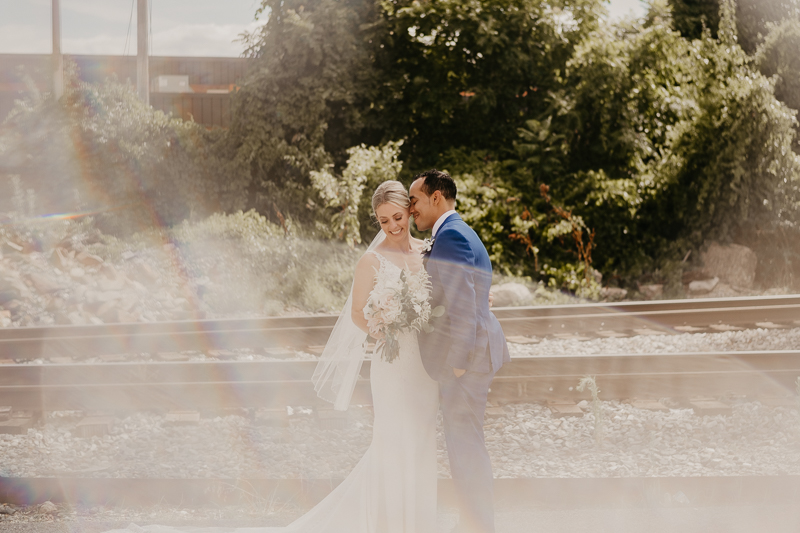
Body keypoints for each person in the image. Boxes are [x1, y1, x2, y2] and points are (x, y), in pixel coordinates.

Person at [104, 180, 440, 533]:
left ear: (410, 211)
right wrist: (382, 325)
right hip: (392, 366)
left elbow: (443, 297)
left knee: (421, 439)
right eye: (383, 220)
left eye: (397, 217)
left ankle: (418, 521)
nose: (392, 226)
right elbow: (358, 313)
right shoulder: (370, 261)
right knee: (392, 442)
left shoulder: (427, 252)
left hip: (423, 368)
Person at [409, 170, 510, 533]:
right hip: (475, 356)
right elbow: (472, 290)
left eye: (415, 200)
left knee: (465, 450)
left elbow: (464, 306)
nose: (411, 210)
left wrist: (458, 365)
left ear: (436, 198)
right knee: (465, 447)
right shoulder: (460, 230)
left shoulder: (449, 236)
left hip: (467, 361)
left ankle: (479, 527)